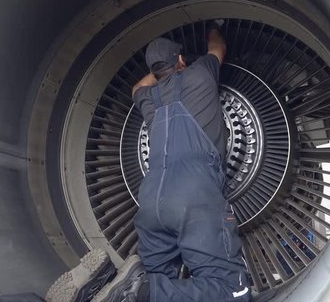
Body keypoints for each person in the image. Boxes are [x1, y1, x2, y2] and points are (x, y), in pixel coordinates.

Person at [47, 23, 251, 302]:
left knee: (152, 281)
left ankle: (97, 282)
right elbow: (218, 48)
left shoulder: (149, 98)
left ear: (155, 71)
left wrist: (158, 71)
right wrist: (214, 28)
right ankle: (138, 290)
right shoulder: (201, 74)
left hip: (152, 200)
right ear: (181, 61)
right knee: (233, 291)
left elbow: (138, 85)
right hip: (194, 193)